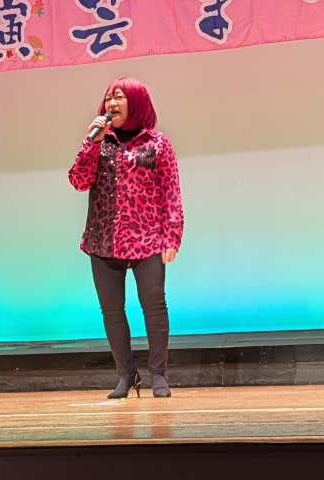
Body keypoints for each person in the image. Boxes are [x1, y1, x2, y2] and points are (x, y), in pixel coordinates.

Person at [68, 77, 184, 399]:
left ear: (136, 102)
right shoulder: (100, 141)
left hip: (147, 239)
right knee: (112, 311)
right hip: (103, 240)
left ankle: (158, 374)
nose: (111, 103)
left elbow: (170, 192)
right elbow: (78, 181)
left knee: (154, 307)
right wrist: (91, 143)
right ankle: (126, 375)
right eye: (108, 98)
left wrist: (172, 236)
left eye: (119, 97)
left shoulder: (157, 143)